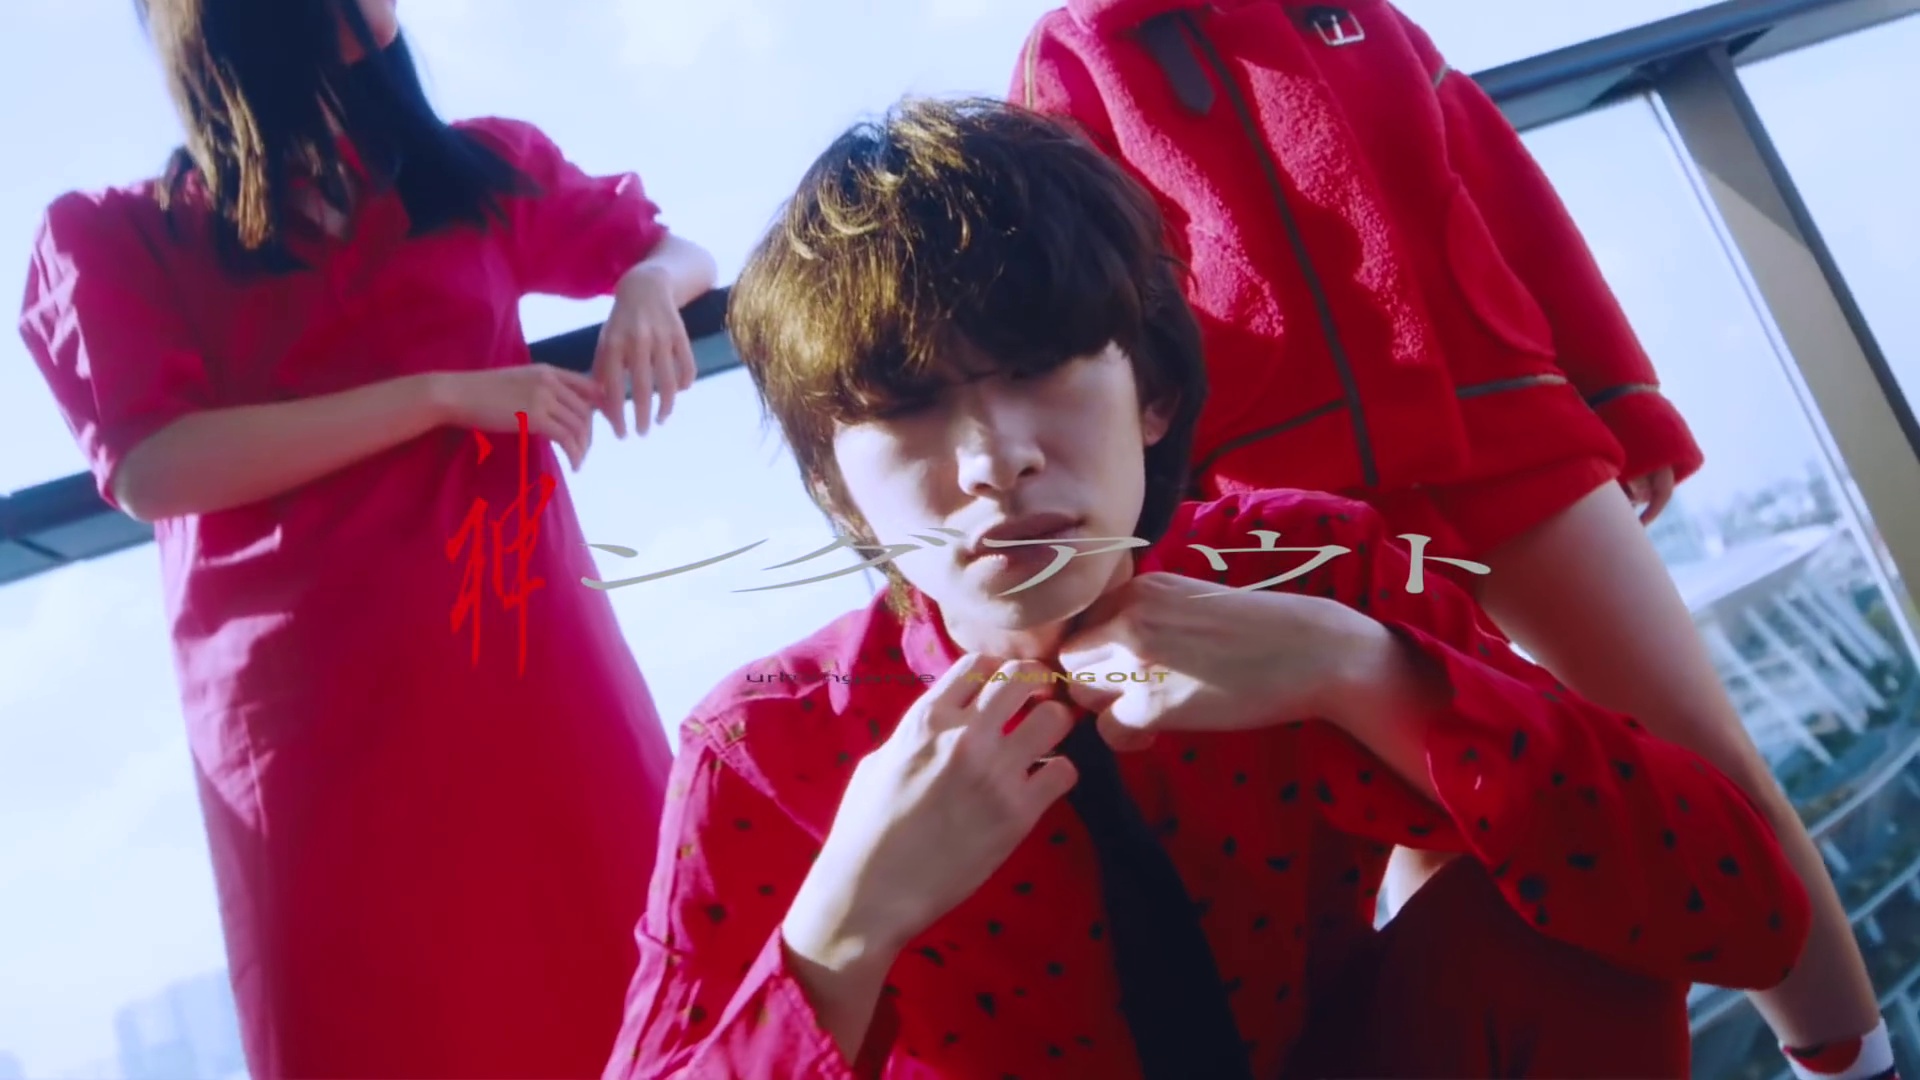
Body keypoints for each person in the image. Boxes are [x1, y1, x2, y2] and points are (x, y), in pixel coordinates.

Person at [602, 97, 1811, 1080]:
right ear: (837, 485)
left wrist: (1363, 675)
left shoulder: (1308, 574)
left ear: (1155, 394)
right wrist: (840, 932)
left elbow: (1742, 913)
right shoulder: (767, 748)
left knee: (1558, 908)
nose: (993, 461)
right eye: (909, 406)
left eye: (1040, 368)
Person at [1010, 2, 1889, 1075]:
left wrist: (1621, 395)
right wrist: (1164, 508)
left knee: (1703, 756)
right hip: (1294, 495)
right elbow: (1087, 309)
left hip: (1507, 424)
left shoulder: (1361, 16)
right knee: (1442, 822)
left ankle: (1856, 1061)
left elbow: (1508, 198)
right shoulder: (1074, 56)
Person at [16, 1, 716, 1076]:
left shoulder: (462, 173)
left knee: (639, 993)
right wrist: (438, 395)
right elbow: (152, 468)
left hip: (531, 679)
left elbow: (674, 248)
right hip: (311, 733)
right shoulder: (118, 237)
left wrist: (645, 289)